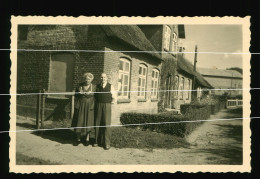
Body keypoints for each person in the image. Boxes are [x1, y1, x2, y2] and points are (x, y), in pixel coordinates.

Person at [71, 73, 96, 146]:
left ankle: (87, 139)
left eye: (89, 79)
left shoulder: (94, 87)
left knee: (88, 122)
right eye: (86, 78)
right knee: (79, 121)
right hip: (81, 106)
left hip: (89, 106)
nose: (87, 80)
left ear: (91, 79)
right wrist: (79, 93)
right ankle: (78, 139)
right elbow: (75, 94)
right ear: (84, 79)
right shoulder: (80, 86)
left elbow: (96, 96)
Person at [94, 73, 117, 150]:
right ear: (100, 78)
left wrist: (110, 103)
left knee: (106, 123)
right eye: (101, 77)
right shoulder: (97, 86)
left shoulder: (110, 86)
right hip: (98, 105)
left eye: (104, 77)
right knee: (97, 122)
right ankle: (96, 141)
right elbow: (94, 96)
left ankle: (107, 143)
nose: (103, 79)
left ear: (107, 78)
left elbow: (114, 97)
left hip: (107, 105)